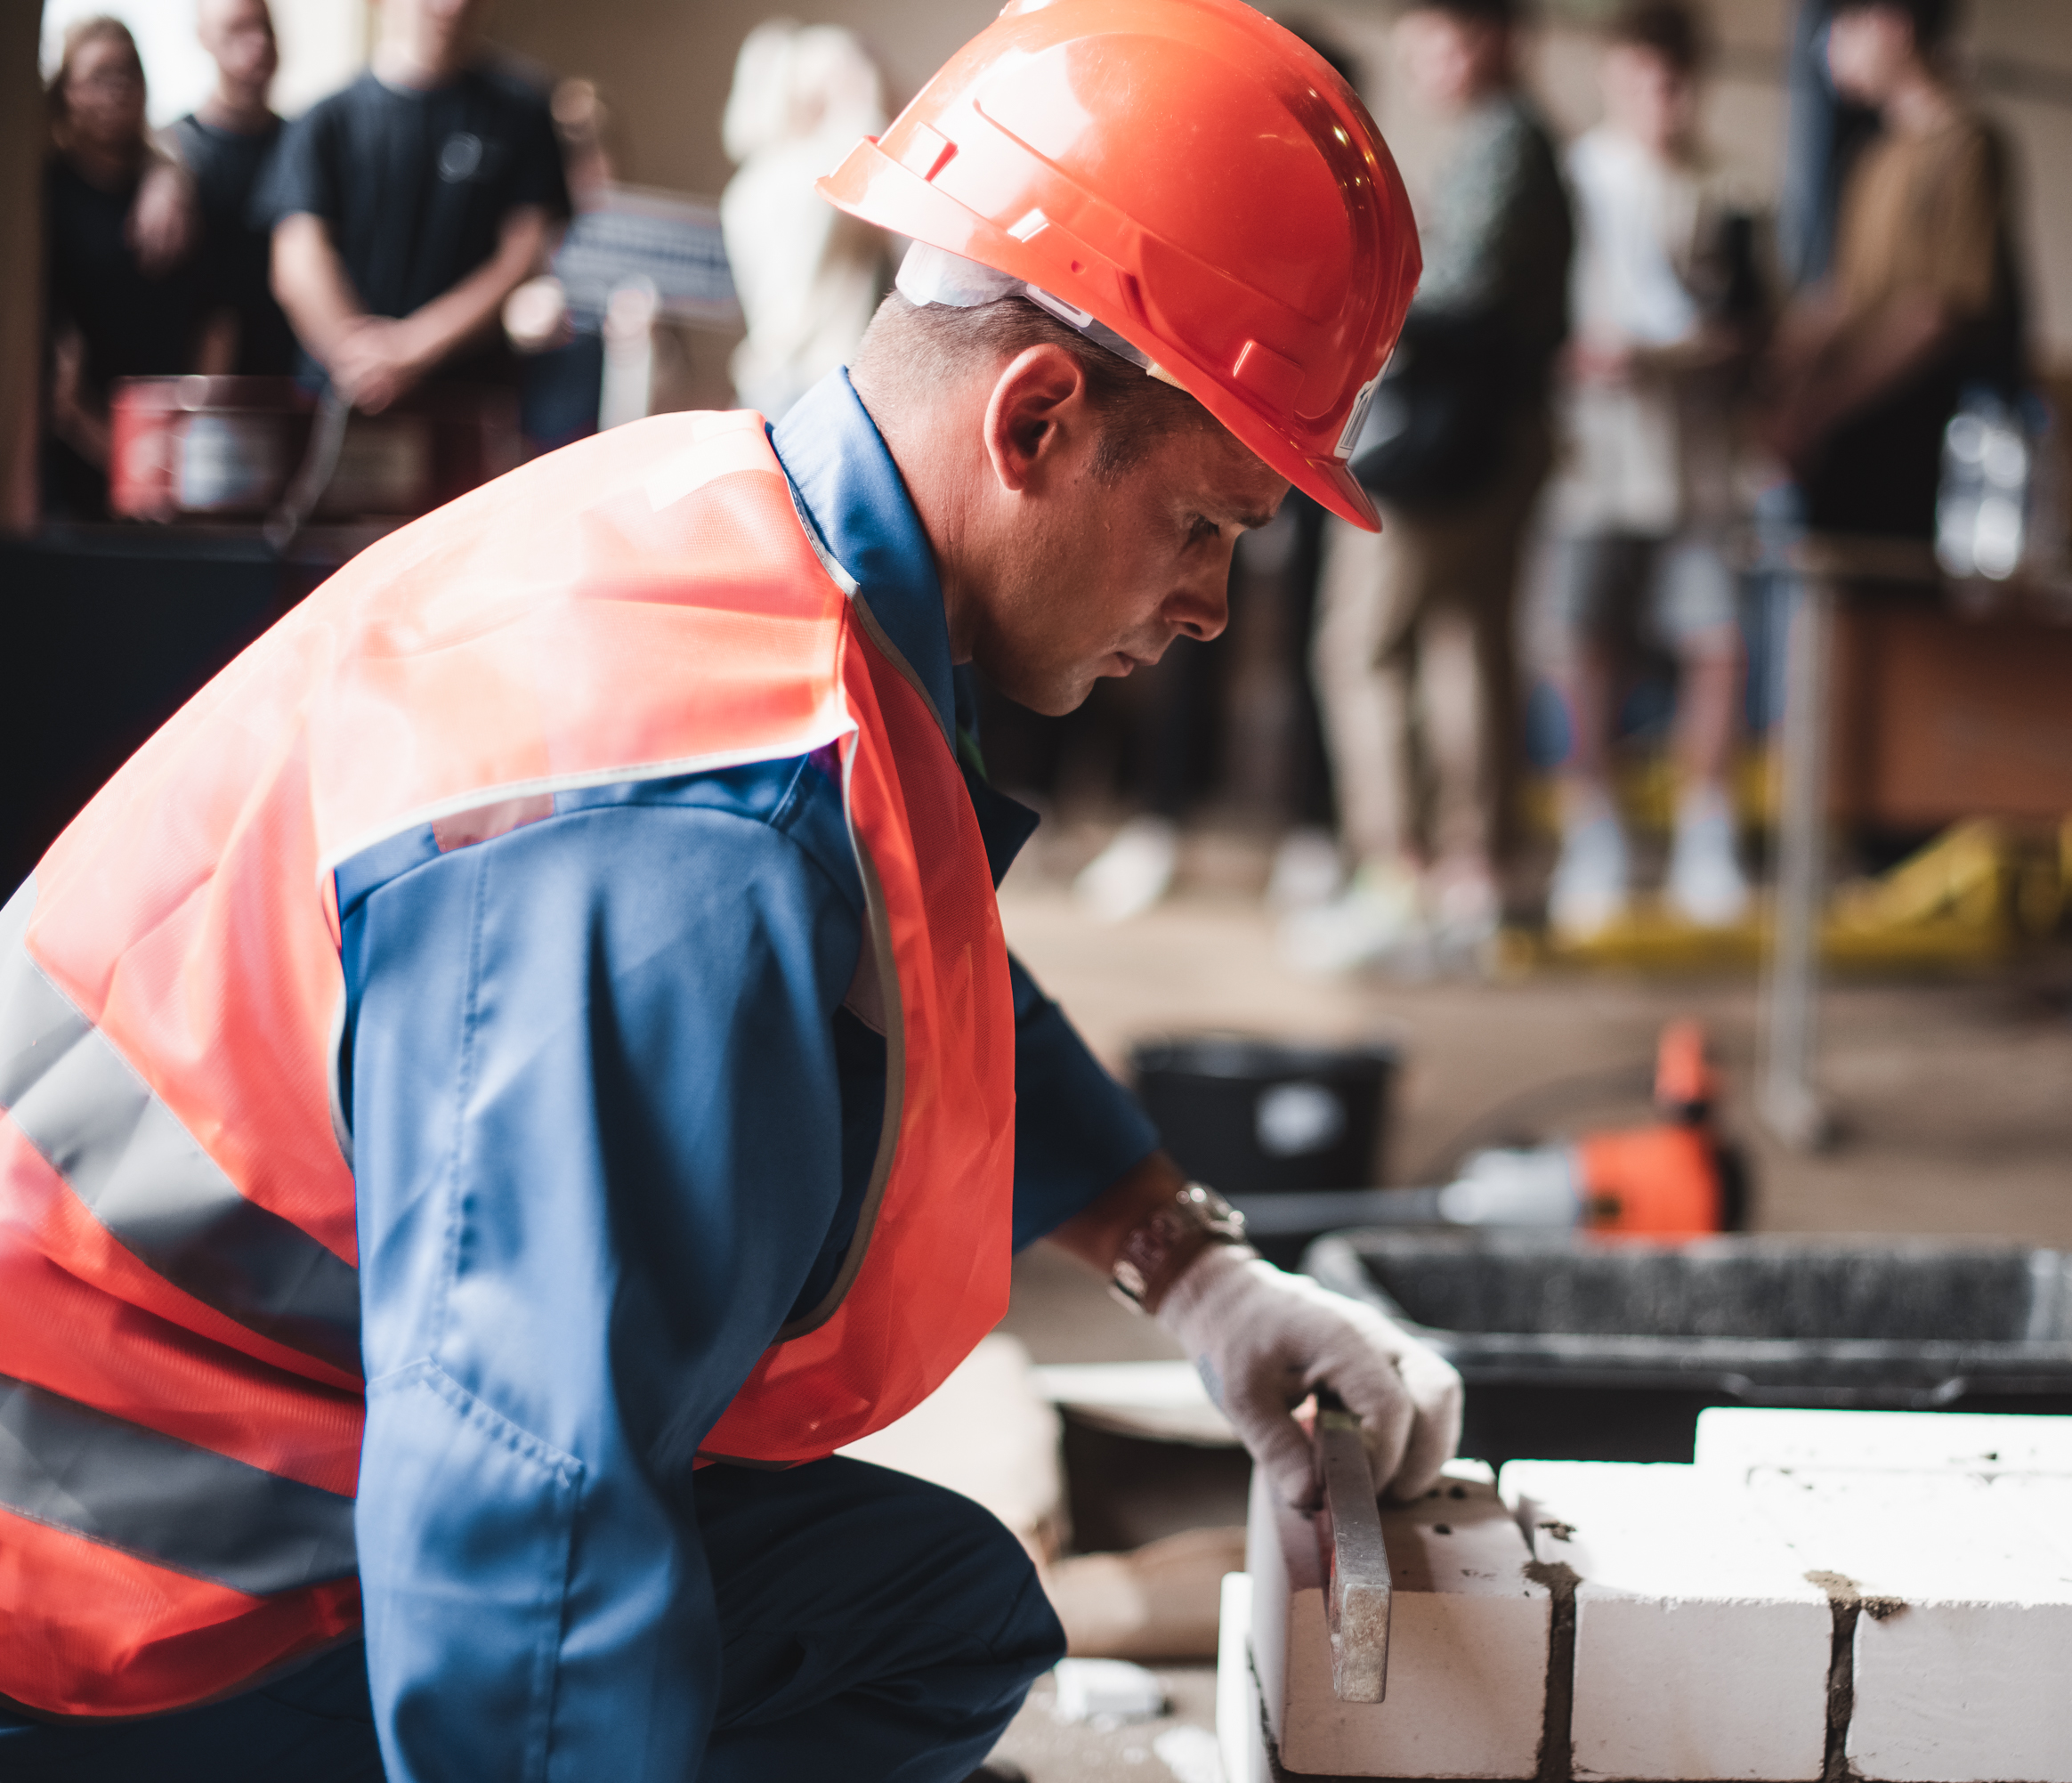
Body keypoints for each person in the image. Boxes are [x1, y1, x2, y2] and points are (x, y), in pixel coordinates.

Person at [0, 3, 1457, 1778]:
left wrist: (1192, 1261)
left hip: (221, 1419)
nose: (1215, 603)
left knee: (934, 1605)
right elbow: (520, 1517)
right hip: (100, 1574)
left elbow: (919, 958)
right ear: (1040, 418)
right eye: (1209, 524)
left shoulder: (744, 538)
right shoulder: (681, 824)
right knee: (807, 1623)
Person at [1297, 0, 1572, 973]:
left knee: (1362, 647)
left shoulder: (1507, 144)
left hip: (1452, 438)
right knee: (1467, 651)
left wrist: (1351, 266)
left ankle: (1399, 873)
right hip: (1494, 433)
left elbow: (1460, 293)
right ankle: (1473, 878)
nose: (1421, 51)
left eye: (1441, 30)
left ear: (1494, 36)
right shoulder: (1515, 142)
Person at [1542, 0, 1768, 940]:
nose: (1659, 97)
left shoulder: (1732, 190)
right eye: (1642, 76)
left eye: (1675, 80)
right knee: (1584, 644)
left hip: (1701, 461)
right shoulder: (1574, 181)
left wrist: (1677, 355)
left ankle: (1703, 830)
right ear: (1614, 74)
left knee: (1716, 640)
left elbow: (1756, 328)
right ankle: (1594, 830)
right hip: (1592, 458)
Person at [1762, 0, 2026, 542]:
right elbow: (1845, 297)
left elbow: (1937, 314)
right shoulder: (1873, 159)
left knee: (1893, 611)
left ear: (1894, 24)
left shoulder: (1967, 146)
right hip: (1844, 444)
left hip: (1911, 439)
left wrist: (1818, 411)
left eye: (1847, 25)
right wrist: (1773, 372)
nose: (1833, 45)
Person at [255, 0, 569, 415]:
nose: (452, 7)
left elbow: (523, 256)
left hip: (466, 405)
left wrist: (413, 350)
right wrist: (362, 360)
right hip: (340, 405)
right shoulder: (326, 120)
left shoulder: (521, 115)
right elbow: (298, 261)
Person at [40, 17, 222, 519]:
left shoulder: (177, 189)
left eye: (129, 73)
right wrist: (127, 464)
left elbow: (213, 319)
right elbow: (56, 372)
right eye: (99, 76)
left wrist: (184, 446)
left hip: (174, 453)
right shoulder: (43, 195)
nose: (118, 90)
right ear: (65, 92)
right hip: (74, 457)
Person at [720, 21, 893, 421]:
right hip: (819, 383)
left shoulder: (749, 185)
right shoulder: (818, 176)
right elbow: (875, 147)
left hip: (779, 379)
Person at [167, 0, 298, 378]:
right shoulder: (174, 150)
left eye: (266, 30)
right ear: (204, 38)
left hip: (289, 381)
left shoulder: (302, 144)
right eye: (238, 31)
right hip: (196, 385)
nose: (257, 44)